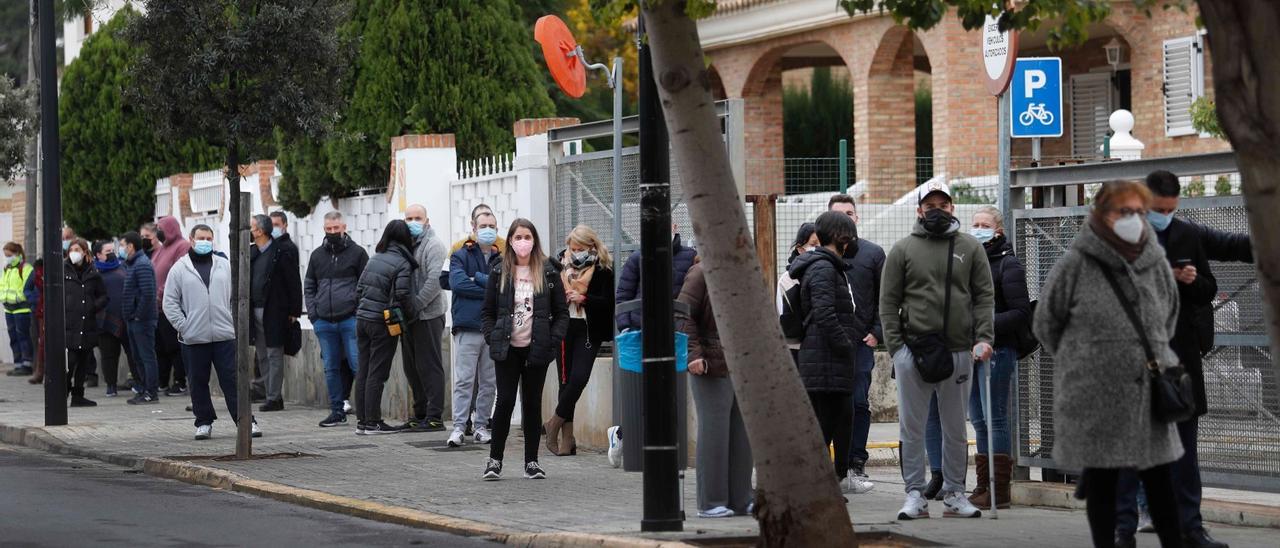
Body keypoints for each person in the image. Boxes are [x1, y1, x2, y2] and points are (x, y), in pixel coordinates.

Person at [1033, 181, 1185, 548]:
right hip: (1095, 396)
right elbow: (1045, 323)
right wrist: (1085, 359)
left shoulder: (1155, 262)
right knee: (1102, 484)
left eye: (1137, 211)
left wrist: (1147, 354)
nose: (1132, 219)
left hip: (1149, 393)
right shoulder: (1076, 264)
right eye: (1123, 211)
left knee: (1162, 484)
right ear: (1101, 215)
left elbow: (1168, 315)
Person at [1112, 171, 1253, 548]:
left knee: (1185, 452)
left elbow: (1207, 288)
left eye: (1172, 210)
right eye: (1159, 210)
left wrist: (1192, 282)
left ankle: (1192, 527)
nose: (1165, 216)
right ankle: (1123, 529)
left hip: (1180, 358)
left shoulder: (1186, 233)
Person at [881, 181, 993, 520]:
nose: (937, 211)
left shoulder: (971, 247)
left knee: (956, 428)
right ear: (919, 210)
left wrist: (984, 337)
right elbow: (888, 302)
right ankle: (914, 493)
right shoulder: (902, 250)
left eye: (943, 206)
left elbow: (984, 296)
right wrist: (896, 349)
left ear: (952, 208)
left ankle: (956, 492)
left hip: (960, 351)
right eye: (930, 206)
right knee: (911, 428)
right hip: (913, 352)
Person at [788, 211, 873, 495]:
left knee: (836, 421)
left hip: (828, 358)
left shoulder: (827, 266)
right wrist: (846, 344)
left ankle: (826, 485)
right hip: (826, 358)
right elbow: (825, 314)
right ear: (841, 237)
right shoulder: (823, 268)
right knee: (824, 425)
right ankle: (817, 487)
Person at [480, 218, 568, 480]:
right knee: (505, 401)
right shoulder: (499, 271)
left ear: (534, 240)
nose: (522, 242)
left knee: (532, 404)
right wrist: (491, 336)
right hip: (507, 348)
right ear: (509, 240)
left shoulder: (549, 271)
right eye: (518, 237)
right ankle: (494, 460)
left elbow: (561, 313)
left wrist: (551, 343)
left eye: (527, 237)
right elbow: (487, 312)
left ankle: (532, 461)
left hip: (537, 349)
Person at [607, 223, 697, 466]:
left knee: (669, 394)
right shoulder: (637, 258)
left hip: (674, 334)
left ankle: (661, 450)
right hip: (640, 333)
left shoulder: (690, 257)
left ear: (674, 226)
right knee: (643, 393)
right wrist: (626, 326)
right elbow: (623, 296)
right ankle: (623, 435)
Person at [164, 225, 262, 440]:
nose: (205, 242)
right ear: (191, 239)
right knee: (198, 381)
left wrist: (231, 320)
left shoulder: (223, 265)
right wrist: (185, 325)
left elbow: (237, 295)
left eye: (208, 238)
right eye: (201, 238)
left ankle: (246, 421)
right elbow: (169, 302)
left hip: (223, 335)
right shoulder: (180, 269)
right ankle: (204, 422)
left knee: (232, 380)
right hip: (193, 337)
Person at [965, 206, 1030, 509]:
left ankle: (999, 488)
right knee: (978, 420)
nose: (978, 229)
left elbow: (1020, 313)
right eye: (975, 224)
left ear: (998, 231)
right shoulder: (966, 262)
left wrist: (984, 328)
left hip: (998, 349)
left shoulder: (1009, 265)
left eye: (984, 225)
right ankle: (982, 485)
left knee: (995, 418)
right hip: (970, 351)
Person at [679, 261, 754, 518]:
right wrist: (693, 355)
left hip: (741, 363)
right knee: (714, 432)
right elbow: (683, 315)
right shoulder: (700, 273)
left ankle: (742, 499)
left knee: (741, 434)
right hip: (710, 363)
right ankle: (711, 502)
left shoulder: (745, 273)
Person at [828, 194, 887, 484]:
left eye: (850, 213)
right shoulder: (821, 256)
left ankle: (855, 461)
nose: (846, 219)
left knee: (858, 402)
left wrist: (876, 333)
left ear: (857, 218)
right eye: (839, 215)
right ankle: (831, 466)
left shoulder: (873, 254)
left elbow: (885, 298)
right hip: (827, 345)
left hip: (861, 344)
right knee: (828, 405)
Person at [544, 225, 615, 456]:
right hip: (564, 326)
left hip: (588, 329)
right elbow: (549, 294)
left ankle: (554, 422)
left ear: (591, 246)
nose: (575, 253)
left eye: (580, 248)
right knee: (565, 382)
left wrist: (583, 298)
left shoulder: (604, 267)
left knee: (579, 378)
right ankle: (568, 439)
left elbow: (608, 302)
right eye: (572, 248)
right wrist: (562, 299)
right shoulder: (559, 265)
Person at [354, 220, 418, 435]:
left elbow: (359, 289)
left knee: (363, 370)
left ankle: (362, 422)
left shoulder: (375, 259)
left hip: (362, 320)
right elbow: (402, 294)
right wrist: (413, 313)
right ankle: (373, 422)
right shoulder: (402, 263)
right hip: (383, 322)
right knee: (377, 373)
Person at [306, 211, 369, 428]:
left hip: (350, 320)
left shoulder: (358, 253)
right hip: (324, 321)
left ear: (344, 227)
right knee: (330, 368)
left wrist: (357, 312)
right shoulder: (316, 256)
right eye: (328, 229)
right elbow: (309, 286)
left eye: (336, 228)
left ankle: (366, 411)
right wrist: (314, 315)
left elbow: (366, 286)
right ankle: (336, 410)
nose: (333, 232)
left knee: (357, 364)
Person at [446, 211, 501, 447]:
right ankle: (459, 427)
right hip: (467, 327)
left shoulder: (502, 258)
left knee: (489, 381)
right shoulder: (460, 255)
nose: (487, 229)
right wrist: (488, 284)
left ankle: (481, 425)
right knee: (464, 380)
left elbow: (504, 288)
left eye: (492, 225)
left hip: (493, 328)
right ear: (474, 228)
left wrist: (475, 278)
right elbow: (456, 283)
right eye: (483, 225)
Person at [401, 204, 448, 432]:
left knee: (429, 366)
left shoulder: (434, 245)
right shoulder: (405, 246)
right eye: (408, 218)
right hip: (409, 316)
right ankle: (419, 412)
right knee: (412, 367)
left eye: (417, 217)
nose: (413, 222)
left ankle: (434, 416)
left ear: (426, 220)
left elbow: (434, 281)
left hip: (428, 314)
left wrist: (416, 305)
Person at [249, 214, 302, 412]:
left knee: (274, 353)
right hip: (255, 310)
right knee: (262, 353)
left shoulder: (282, 251)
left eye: (252, 227)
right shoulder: (252, 252)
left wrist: (294, 310)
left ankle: (274, 396)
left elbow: (293, 281)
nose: (251, 231)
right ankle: (266, 390)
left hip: (275, 310)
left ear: (261, 231)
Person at [63, 239, 107, 407]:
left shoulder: (93, 273)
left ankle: (78, 396)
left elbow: (103, 295)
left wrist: (93, 306)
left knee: (83, 362)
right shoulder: (63, 270)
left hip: (87, 324)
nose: (74, 252)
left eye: (77, 249)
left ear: (84, 252)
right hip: (69, 325)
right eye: (71, 249)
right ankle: (63, 392)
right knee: (70, 362)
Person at [151, 216, 190, 396]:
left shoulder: (182, 246)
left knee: (173, 345)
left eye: (161, 228)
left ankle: (180, 381)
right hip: (157, 308)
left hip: (171, 305)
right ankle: (163, 381)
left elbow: (176, 274)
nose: (159, 232)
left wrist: (162, 293)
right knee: (160, 347)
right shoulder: (161, 249)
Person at [120, 232, 160, 404]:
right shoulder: (132, 264)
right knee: (138, 357)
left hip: (142, 320)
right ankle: (143, 388)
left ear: (130, 246)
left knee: (146, 357)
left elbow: (148, 293)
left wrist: (138, 315)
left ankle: (151, 392)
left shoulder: (142, 264)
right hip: (133, 319)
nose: (121, 249)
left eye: (123, 245)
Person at [94, 240, 134, 397]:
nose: (111, 254)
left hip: (126, 317)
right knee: (109, 355)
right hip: (105, 320)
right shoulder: (95, 272)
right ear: (98, 255)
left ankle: (138, 382)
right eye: (107, 251)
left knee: (132, 352)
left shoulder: (123, 267)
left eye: (113, 250)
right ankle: (111, 385)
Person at [776, 223, 817, 363]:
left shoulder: (836, 273)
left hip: (824, 349)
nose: (818, 249)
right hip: (796, 349)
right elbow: (785, 318)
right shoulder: (787, 280)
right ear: (800, 249)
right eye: (813, 244)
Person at [2, 242, 35, 376]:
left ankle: (27, 364)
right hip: (8, 308)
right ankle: (18, 364)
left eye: (9, 255)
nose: (7, 258)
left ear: (17, 254)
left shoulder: (26, 268)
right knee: (13, 337)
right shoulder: (7, 268)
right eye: (5, 255)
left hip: (21, 308)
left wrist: (21, 299)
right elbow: (2, 285)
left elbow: (27, 288)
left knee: (23, 336)